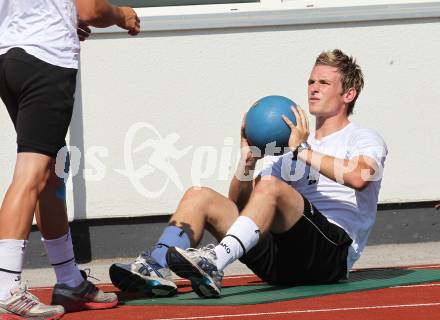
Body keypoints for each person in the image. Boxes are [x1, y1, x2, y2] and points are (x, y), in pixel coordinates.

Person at [109, 49, 388, 298]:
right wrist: (249, 160)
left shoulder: (362, 138)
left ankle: (215, 262)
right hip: (282, 262)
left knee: (271, 186)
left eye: (324, 83)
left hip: (330, 257)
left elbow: (360, 177)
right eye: (311, 82)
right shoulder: (293, 148)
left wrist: (301, 151)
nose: (313, 89)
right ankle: (154, 267)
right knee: (200, 196)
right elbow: (244, 207)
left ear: (348, 94)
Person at [0, 1, 140, 319]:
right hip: (46, 60)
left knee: (50, 175)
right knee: (31, 175)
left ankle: (69, 280)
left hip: (10, 57)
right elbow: (91, 10)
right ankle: (6, 285)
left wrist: (61, 19)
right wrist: (122, 15)